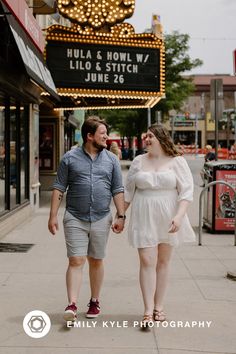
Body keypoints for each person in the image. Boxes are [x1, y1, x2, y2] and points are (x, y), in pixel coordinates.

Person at [48, 116, 125, 322]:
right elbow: (59, 187)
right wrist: (53, 215)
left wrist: (121, 215)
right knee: (76, 259)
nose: (106, 138)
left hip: (101, 217)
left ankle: (94, 300)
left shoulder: (111, 160)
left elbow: (117, 189)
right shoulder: (69, 158)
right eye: (102, 134)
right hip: (74, 216)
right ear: (89, 136)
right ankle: (72, 304)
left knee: (96, 260)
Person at [124, 123, 195, 327]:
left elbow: (186, 192)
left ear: (161, 138)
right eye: (146, 136)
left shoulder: (177, 162)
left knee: (163, 262)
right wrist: (120, 215)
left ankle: (159, 307)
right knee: (147, 260)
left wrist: (180, 216)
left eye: (150, 137)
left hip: (169, 216)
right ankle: (147, 310)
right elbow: (128, 191)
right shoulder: (138, 161)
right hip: (144, 215)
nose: (146, 139)